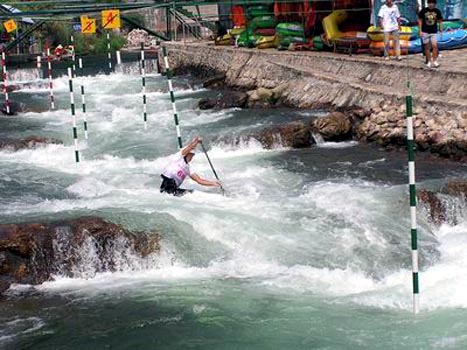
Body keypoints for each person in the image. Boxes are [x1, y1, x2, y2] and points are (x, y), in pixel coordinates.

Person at [419, 0, 443, 68]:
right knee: (427, 47)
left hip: (434, 31)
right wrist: (420, 30)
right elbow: (420, 20)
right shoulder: (423, 11)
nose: (431, 4)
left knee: (434, 46)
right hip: (425, 31)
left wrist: (441, 29)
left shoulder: (437, 11)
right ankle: (429, 61)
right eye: (429, 3)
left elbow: (440, 21)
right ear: (428, 3)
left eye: (432, 3)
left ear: (435, 4)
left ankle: (435, 61)